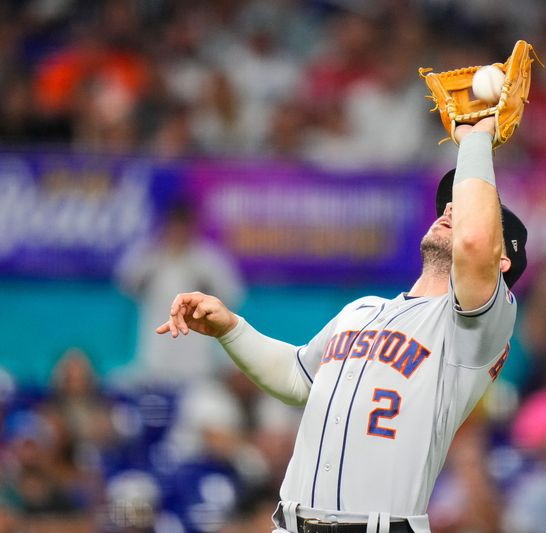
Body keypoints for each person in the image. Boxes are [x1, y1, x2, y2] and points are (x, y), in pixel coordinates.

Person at [156, 117, 527, 533]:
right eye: (449, 203)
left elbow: (475, 245)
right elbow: (298, 377)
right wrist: (232, 330)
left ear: (502, 262)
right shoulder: (362, 310)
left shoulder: (478, 329)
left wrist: (476, 137)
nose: (451, 207)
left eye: (468, 208)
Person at [116, 201, 244, 386]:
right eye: (174, 227)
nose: (178, 232)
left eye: (183, 227)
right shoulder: (150, 256)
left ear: (192, 228)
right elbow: (125, 282)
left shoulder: (208, 260)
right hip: (156, 359)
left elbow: (233, 295)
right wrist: (156, 253)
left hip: (199, 364)